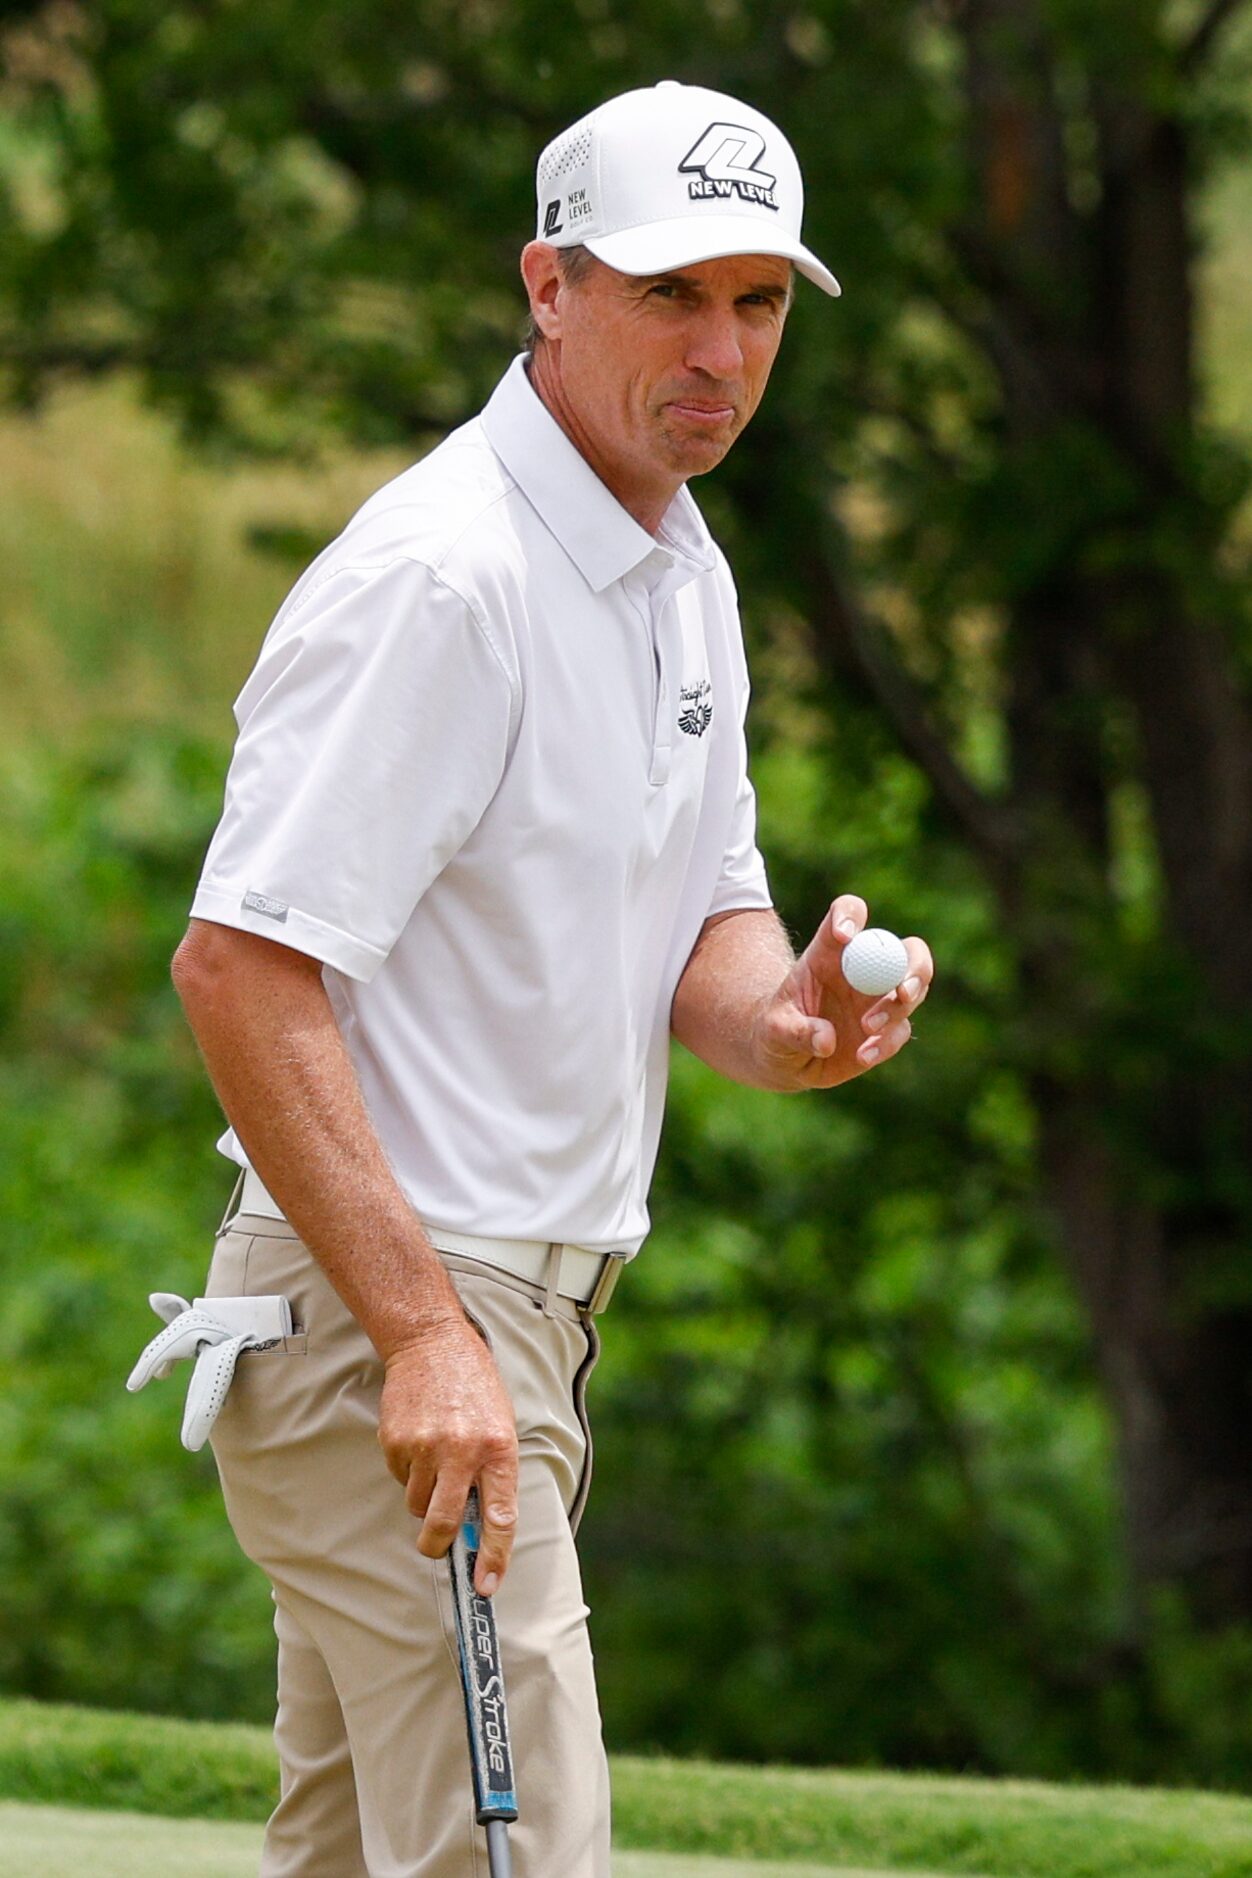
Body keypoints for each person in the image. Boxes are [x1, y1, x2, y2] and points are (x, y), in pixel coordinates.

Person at [170, 78, 932, 1878]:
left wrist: (786, 1016)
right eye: (672, 295)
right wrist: (430, 1336)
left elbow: (703, 916)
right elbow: (239, 966)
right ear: (548, 285)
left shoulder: (680, 564)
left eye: (757, 304)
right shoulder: (447, 578)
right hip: (403, 1321)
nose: (722, 350)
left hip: (494, 1326)